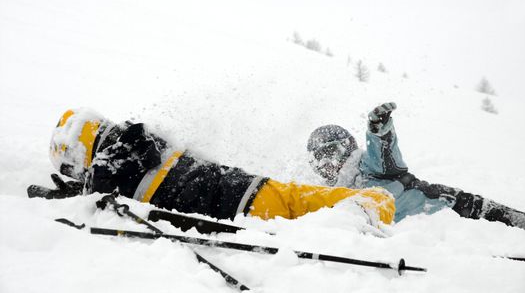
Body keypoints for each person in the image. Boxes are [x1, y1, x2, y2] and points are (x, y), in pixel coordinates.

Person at [27, 108, 396, 226]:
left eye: (75, 168)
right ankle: (368, 205)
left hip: (243, 205)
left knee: (308, 204)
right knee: (305, 201)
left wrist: (68, 196)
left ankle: (371, 207)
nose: (80, 175)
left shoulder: (115, 162)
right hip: (247, 191)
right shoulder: (137, 143)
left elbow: (103, 190)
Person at [307, 102, 525, 229]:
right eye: (319, 159)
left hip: (453, 207)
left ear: (346, 147)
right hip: (434, 229)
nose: (326, 163)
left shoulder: (366, 165)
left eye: (330, 153)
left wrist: (380, 134)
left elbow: (385, 158)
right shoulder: (337, 194)